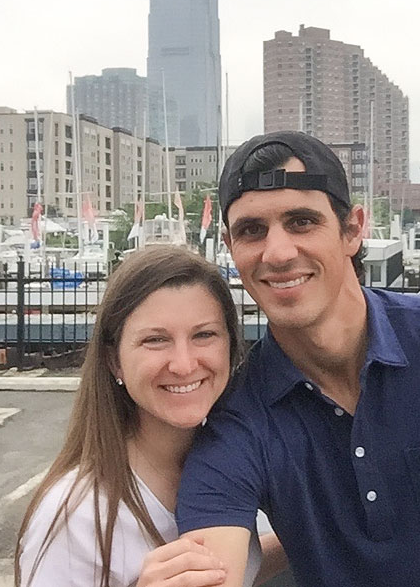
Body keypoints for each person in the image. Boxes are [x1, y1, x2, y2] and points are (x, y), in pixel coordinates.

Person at [174, 131, 420, 587]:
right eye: (252, 230)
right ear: (230, 247)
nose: (277, 253)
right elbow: (214, 559)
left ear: (353, 229)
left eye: (301, 222)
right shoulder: (237, 415)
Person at [15, 246, 285, 587]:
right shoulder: (77, 516)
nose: (184, 365)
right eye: (155, 340)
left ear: (231, 346)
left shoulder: (231, 462)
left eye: (204, 335)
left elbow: (230, 570)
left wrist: (309, 535)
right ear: (114, 361)